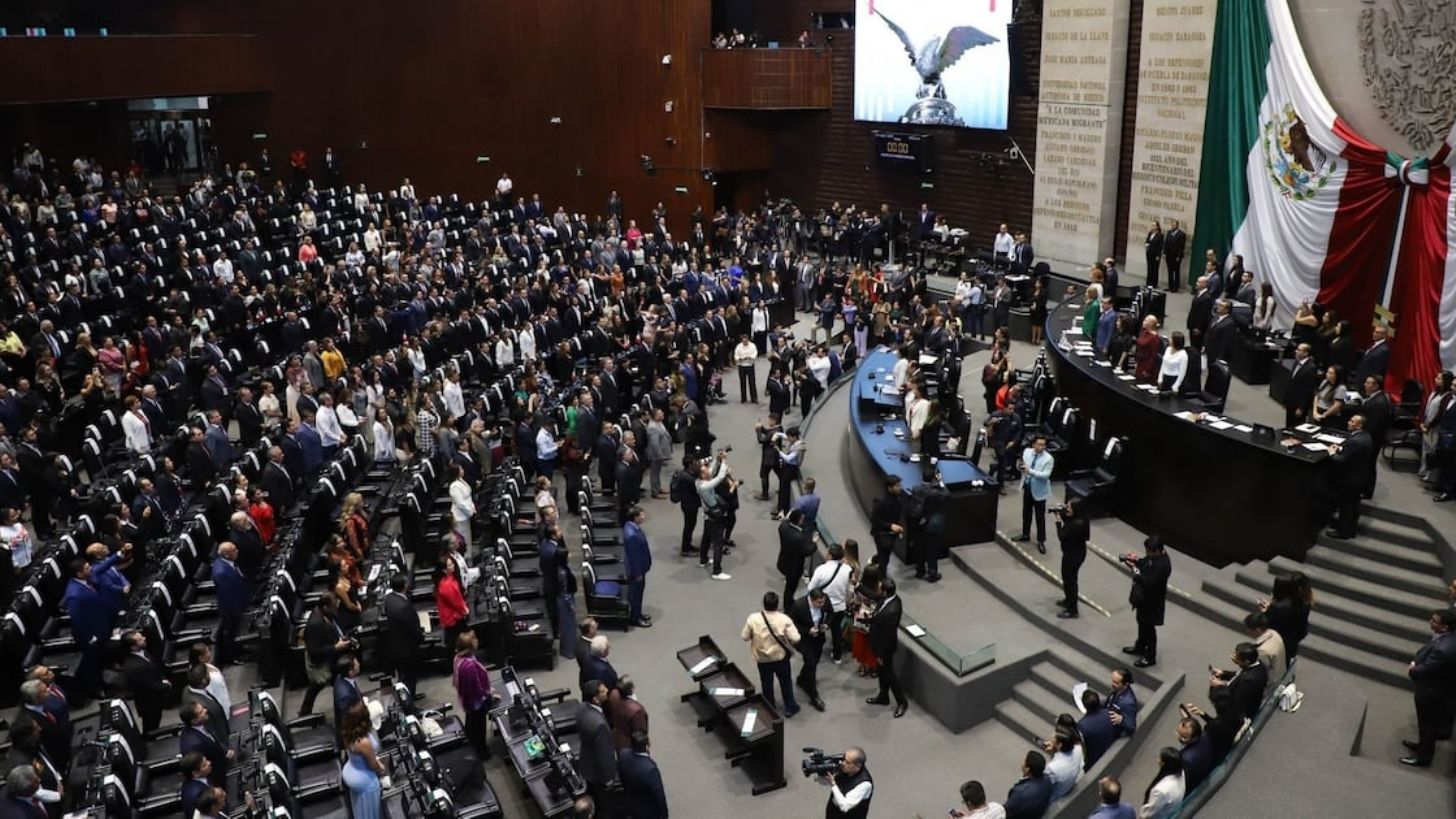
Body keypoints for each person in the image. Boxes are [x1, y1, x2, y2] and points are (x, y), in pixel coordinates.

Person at [1400, 609, 1456, 766]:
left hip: (1432, 693)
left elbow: (1421, 672)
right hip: (1437, 690)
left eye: (1434, 621)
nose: (1430, 622)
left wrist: (1412, 669)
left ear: (1444, 627)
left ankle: (1424, 757)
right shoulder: (1448, 638)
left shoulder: (1443, 650)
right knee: (1426, 725)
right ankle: (1422, 746)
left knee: (1428, 726)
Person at [741, 591, 802, 717]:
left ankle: (770, 707)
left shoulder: (753, 619)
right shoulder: (784, 619)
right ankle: (790, 706)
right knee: (785, 682)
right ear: (777, 604)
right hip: (780, 658)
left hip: (762, 659)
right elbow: (796, 638)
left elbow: (744, 637)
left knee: (766, 684)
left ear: (764, 604)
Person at [299, 593, 351, 717]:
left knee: (322, 686)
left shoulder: (324, 613)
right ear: (326, 607)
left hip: (330, 656)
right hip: (322, 661)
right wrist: (336, 647)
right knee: (322, 684)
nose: (336, 609)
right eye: (334, 607)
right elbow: (314, 651)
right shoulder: (316, 624)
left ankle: (305, 712)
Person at [1123, 537, 1171, 667]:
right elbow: (1145, 562)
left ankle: (1150, 657)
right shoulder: (1154, 557)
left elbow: (1148, 581)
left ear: (1157, 551)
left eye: (1149, 551)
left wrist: (1134, 569)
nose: (1147, 553)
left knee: (1149, 629)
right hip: (1144, 599)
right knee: (1141, 623)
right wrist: (1136, 560)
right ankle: (1140, 647)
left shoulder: (1162, 565)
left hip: (1152, 602)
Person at [1326, 414, 1373, 539]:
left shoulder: (1354, 441)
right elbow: (1354, 454)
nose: (1348, 422)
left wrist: (1332, 453)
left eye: (1352, 421)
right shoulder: (1366, 436)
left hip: (1350, 480)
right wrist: (1341, 448)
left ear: (1359, 425)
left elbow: (1341, 461)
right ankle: (1351, 529)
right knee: (1354, 505)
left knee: (1346, 506)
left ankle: (1343, 532)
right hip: (1361, 477)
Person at [453, 631, 498, 759]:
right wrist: (490, 694)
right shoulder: (469, 666)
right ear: (469, 646)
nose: (477, 641)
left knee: (471, 723)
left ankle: (471, 745)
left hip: (467, 699)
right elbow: (477, 688)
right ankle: (481, 752)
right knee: (479, 727)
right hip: (476, 701)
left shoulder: (458, 658)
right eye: (474, 640)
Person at [865, 578, 907, 717]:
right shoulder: (889, 598)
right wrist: (858, 586)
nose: (877, 590)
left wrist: (880, 655)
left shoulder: (892, 610)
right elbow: (874, 596)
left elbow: (887, 636)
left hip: (884, 650)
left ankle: (902, 702)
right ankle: (883, 696)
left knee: (889, 675)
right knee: (882, 673)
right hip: (878, 645)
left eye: (879, 588)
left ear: (884, 592)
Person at [576, 680, 620, 812]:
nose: (607, 690)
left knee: (594, 797)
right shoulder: (599, 725)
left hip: (586, 763)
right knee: (605, 806)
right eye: (603, 691)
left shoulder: (582, 707)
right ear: (595, 699)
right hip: (599, 773)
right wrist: (608, 779)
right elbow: (604, 754)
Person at [340, 702, 387, 819]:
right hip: (363, 780)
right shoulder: (363, 742)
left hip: (351, 768)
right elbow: (372, 765)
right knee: (370, 811)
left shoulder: (346, 731)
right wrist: (381, 767)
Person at [121, 630, 172, 731]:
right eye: (140, 639)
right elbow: (150, 685)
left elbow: (154, 667)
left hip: (155, 695)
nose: (144, 638)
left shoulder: (142, 651)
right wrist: (166, 685)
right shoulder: (135, 667)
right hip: (149, 703)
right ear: (133, 647)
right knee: (151, 726)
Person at [789, 588, 829, 712]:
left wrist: (826, 624)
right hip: (804, 640)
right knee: (811, 664)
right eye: (819, 603)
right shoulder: (799, 606)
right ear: (811, 600)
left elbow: (831, 613)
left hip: (818, 638)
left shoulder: (825, 600)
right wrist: (808, 630)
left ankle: (802, 679)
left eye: (823, 602)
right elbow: (791, 624)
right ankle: (814, 696)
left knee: (813, 662)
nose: (822, 605)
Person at [211, 541, 250, 666]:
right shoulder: (221, 573)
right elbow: (227, 596)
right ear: (226, 554)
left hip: (237, 602)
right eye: (234, 550)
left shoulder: (227, 562)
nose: (237, 551)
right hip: (230, 608)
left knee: (236, 631)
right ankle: (232, 657)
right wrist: (237, 610)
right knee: (231, 633)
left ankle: (240, 649)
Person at [383, 573, 423, 694]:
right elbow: (412, 627)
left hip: (395, 643)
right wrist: (421, 637)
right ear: (405, 585)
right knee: (410, 676)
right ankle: (409, 699)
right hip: (407, 647)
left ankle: (408, 696)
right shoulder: (404, 607)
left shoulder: (389, 598)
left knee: (403, 675)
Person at [1013, 435, 1054, 554]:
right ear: (1033, 444)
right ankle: (1025, 534)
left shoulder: (1048, 459)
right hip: (1027, 487)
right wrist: (1019, 467)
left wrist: (1030, 471)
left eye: (1043, 445)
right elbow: (1021, 467)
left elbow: (1045, 475)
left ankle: (1041, 541)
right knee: (1026, 513)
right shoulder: (1027, 452)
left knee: (1040, 517)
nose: (1041, 447)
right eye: (1038, 444)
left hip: (1040, 491)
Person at [618, 731, 668, 819]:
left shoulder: (623, 754)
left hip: (631, 804)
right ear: (647, 746)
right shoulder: (650, 769)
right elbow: (659, 795)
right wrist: (664, 815)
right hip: (648, 811)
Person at [1054, 497, 1088, 618]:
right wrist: (1061, 510)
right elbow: (1068, 517)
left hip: (1072, 557)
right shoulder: (1082, 518)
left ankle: (1072, 610)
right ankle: (1068, 600)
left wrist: (1058, 521)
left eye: (1069, 507)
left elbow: (1062, 535)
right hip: (1077, 553)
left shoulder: (1076, 525)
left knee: (1070, 581)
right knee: (1069, 580)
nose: (1067, 509)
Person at [819, 747, 873, 819]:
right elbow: (823, 782)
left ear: (858, 766)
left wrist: (833, 784)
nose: (843, 763)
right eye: (844, 759)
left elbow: (844, 806)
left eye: (848, 762)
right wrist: (821, 773)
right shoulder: (843, 769)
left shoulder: (864, 784)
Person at [777, 508, 816, 605]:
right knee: (790, 589)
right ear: (798, 521)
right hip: (794, 567)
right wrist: (814, 543)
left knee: (789, 586)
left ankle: (788, 601)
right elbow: (807, 551)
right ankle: (788, 605)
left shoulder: (783, 527)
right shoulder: (799, 538)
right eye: (802, 519)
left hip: (784, 560)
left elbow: (785, 522)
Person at [622, 506, 653, 628]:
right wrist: (638, 573)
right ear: (635, 517)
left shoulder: (631, 527)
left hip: (639, 567)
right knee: (636, 594)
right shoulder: (632, 535)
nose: (643, 517)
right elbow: (634, 556)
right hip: (636, 570)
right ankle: (635, 618)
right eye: (641, 515)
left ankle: (638, 613)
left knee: (638, 593)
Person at [869, 476, 905, 572]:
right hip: (881, 533)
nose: (900, 487)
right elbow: (874, 519)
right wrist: (891, 526)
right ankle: (881, 576)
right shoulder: (881, 501)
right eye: (897, 486)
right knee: (884, 558)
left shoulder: (898, 499)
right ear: (890, 488)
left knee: (884, 554)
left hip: (892, 533)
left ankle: (875, 561)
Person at [1002, 751, 1052, 819]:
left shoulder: (1020, 793)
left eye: (1024, 761)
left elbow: (1006, 811)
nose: (1022, 763)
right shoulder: (1048, 780)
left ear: (1027, 769)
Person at [1138, 747, 1185, 819]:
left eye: (1160, 758)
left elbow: (1148, 813)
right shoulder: (1180, 773)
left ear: (1163, 763)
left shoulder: (1160, 791)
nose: (1158, 760)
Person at [435, 556, 470, 651]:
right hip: (452, 619)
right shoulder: (446, 585)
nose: (453, 565)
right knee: (456, 643)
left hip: (454, 617)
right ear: (444, 570)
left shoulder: (450, 578)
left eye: (452, 563)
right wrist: (465, 610)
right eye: (450, 565)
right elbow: (456, 602)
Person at [1078, 689, 1117, 769]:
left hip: (1095, 759)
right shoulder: (1109, 713)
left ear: (1084, 706)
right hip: (1112, 748)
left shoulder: (1082, 725)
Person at [669, 456, 700, 555]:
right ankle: (685, 549)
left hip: (687, 503)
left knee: (690, 525)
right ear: (690, 464)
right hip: (690, 504)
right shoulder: (688, 478)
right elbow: (698, 487)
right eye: (694, 463)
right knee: (689, 526)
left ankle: (687, 545)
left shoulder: (684, 474)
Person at [1283, 343, 1318, 428]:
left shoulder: (1311, 368)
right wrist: (1286, 400)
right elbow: (1292, 382)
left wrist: (1301, 407)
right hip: (1291, 401)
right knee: (1288, 425)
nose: (1296, 351)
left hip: (1299, 403)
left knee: (1297, 426)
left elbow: (1308, 390)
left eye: (1299, 350)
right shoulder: (1296, 362)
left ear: (1306, 353)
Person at [1176, 717, 1214, 793]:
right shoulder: (1204, 735)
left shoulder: (1185, 758)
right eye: (1178, 731)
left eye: (1183, 736)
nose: (1178, 736)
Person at [1107, 667, 1141, 737]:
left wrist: (1121, 720)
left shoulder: (1128, 703)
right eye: (1112, 680)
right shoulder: (1117, 689)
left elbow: (1132, 727)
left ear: (1126, 684)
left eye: (1116, 682)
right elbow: (1110, 701)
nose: (1112, 684)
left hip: (1115, 729)